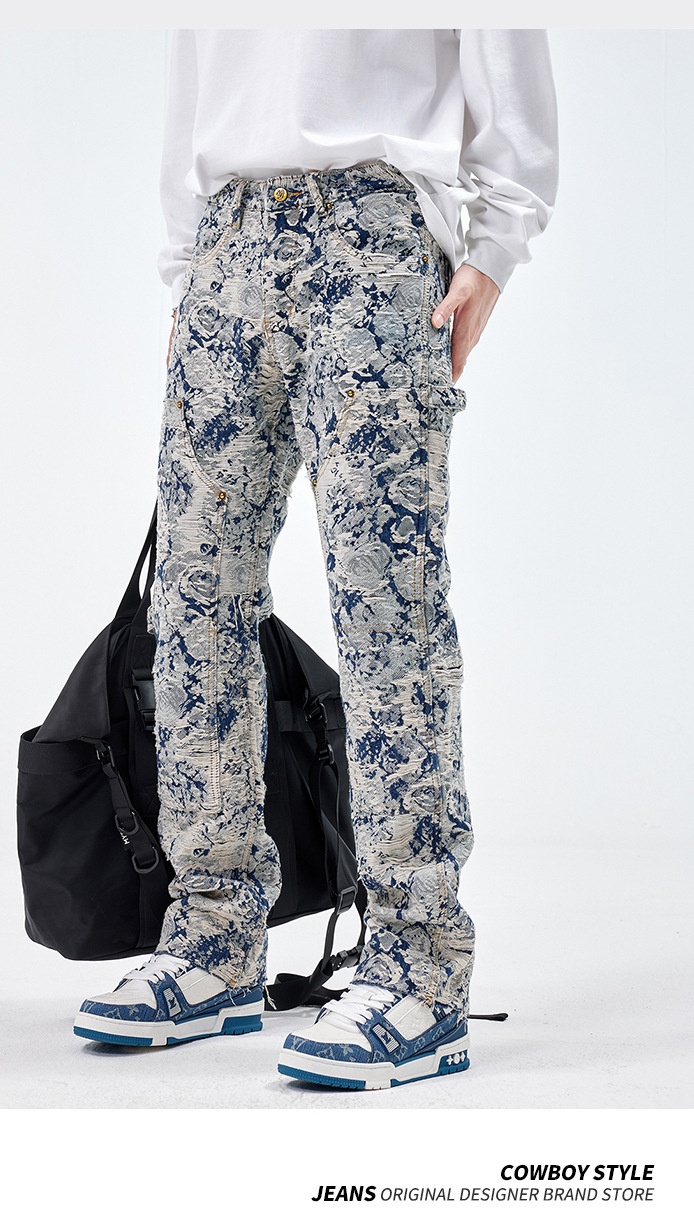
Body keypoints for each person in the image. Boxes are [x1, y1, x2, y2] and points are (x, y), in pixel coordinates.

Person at [73, 28, 559, 1090]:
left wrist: (491, 250)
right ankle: (212, 939)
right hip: (226, 250)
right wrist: (188, 272)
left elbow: (507, 55)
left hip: (373, 245)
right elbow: (195, 65)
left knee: (388, 612)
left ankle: (419, 967)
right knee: (193, 608)